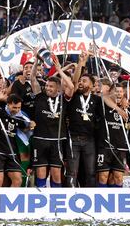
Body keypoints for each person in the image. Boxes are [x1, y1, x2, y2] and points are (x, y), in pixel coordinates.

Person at [30, 52, 74, 187]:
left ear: (58, 88)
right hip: (40, 139)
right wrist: (36, 61)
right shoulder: (40, 96)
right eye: (47, 86)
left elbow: (71, 87)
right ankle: (40, 202)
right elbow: (32, 78)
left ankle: (56, 204)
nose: (48, 88)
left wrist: (60, 70)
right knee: (41, 173)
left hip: (58, 140)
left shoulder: (63, 99)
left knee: (56, 173)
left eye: (51, 86)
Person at [66, 51, 101, 187]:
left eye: (84, 81)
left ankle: (91, 200)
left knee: (91, 172)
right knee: (72, 172)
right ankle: (70, 198)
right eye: (80, 80)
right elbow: (74, 81)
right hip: (73, 138)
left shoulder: (97, 100)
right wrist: (81, 63)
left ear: (92, 85)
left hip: (90, 140)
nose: (81, 82)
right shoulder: (74, 95)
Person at [0, 93, 34, 187]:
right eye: (14, 107)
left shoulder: (19, 118)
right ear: (8, 104)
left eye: (19, 108)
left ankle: (10, 201)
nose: (17, 110)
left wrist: (31, 125)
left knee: (18, 180)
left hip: (11, 152)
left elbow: (25, 128)